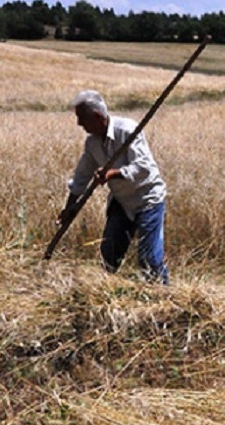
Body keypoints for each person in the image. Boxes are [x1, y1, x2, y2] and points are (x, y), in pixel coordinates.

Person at [57, 90, 170, 284]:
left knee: (149, 259)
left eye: (82, 118)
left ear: (97, 117)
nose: (79, 124)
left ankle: (166, 299)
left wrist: (114, 173)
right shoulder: (92, 143)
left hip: (147, 199)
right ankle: (106, 295)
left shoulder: (127, 131)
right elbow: (81, 177)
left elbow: (145, 168)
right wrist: (70, 207)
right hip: (121, 202)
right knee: (109, 256)